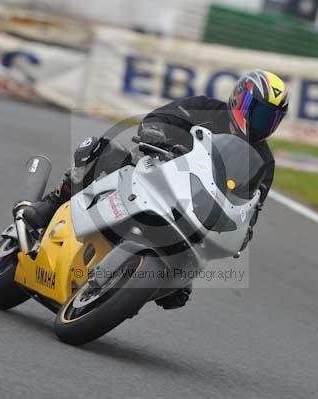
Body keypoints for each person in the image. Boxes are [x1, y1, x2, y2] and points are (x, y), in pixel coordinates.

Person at [19, 70, 289, 309]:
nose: (263, 123)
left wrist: (244, 228)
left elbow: (252, 206)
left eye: (271, 119)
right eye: (260, 113)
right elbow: (158, 118)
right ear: (240, 99)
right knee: (103, 150)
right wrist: (157, 134)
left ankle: (171, 278)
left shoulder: (263, 160)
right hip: (152, 173)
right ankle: (50, 205)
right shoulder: (204, 108)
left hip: (193, 208)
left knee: (183, 284)